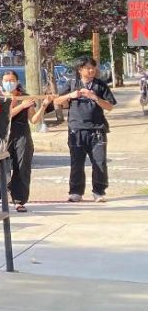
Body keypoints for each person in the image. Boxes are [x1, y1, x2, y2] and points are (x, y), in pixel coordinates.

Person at [0, 71, 51, 213]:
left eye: (12, 80)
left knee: (22, 167)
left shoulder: (25, 97)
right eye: (6, 80)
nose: (9, 83)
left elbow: (34, 120)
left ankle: (18, 200)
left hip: (21, 135)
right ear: (1, 82)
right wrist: (21, 106)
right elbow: (4, 116)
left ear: (17, 81)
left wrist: (44, 106)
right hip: (0, 137)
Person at [55, 56, 116, 202]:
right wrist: (71, 95)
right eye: (88, 68)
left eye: (93, 68)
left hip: (97, 130)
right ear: (80, 69)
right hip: (76, 129)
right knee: (77, 162)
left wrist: (94, 97)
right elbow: (56, 101)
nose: (91, 70)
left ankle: (99, 191)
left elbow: (110, 106)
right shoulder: (71, 83)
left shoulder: (100, 85)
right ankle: (76, 192)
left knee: (99, 162)